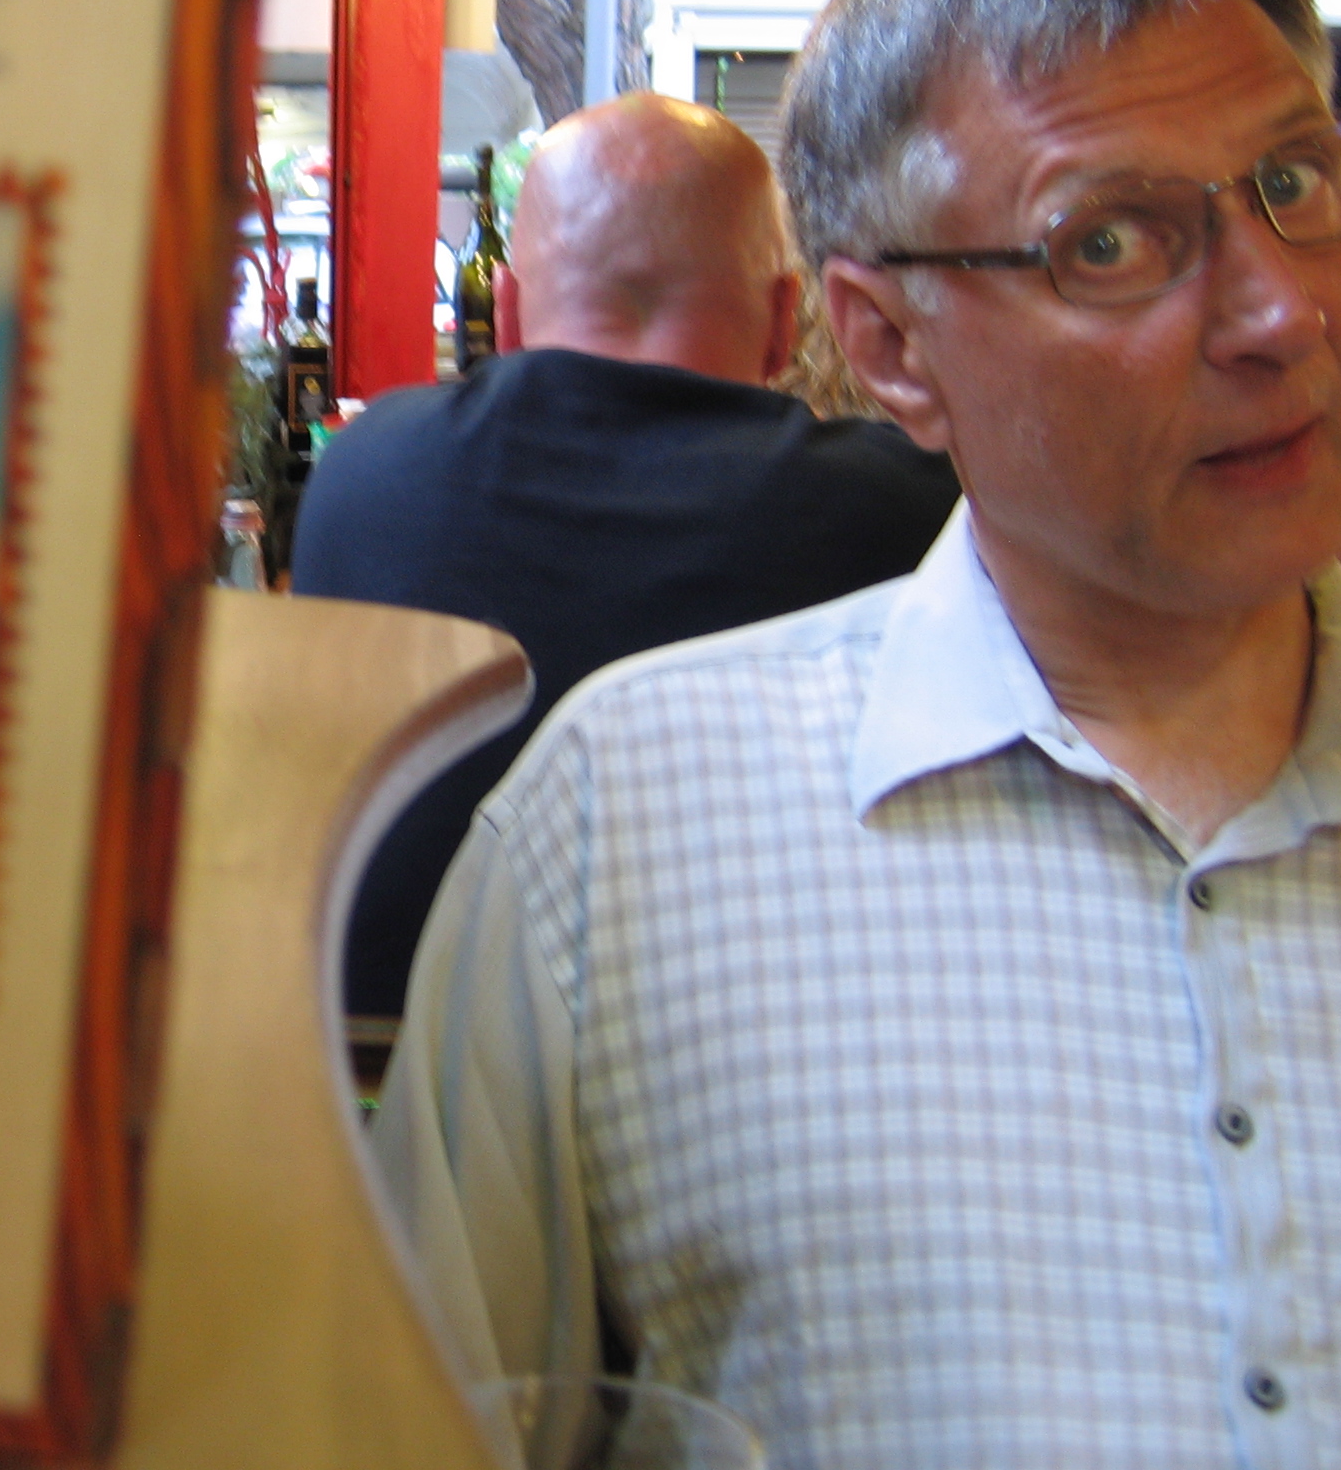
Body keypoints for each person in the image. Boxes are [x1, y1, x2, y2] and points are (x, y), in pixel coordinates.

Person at [372, 0, 1341, 1467]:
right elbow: (420, 1422)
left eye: (1296, 183)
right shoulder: (618, 835)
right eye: (1108, 241)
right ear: (888, 348)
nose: (1278, 312)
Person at [290, 93, 960, 1020]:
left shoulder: (365, 471)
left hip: (372, 1073)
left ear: (508, 313)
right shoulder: (910, 514)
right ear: (785, 319)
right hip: (738, 1075)